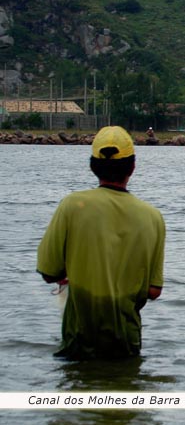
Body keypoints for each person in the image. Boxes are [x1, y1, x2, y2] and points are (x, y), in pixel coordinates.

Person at [37, 126, 165, 360]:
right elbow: (153, 290)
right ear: (133, 167)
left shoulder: (72, 205)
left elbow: (48, 272)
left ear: (92, 166)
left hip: (79, 340)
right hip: (127, 342)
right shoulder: (153, 216)